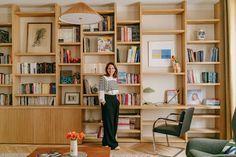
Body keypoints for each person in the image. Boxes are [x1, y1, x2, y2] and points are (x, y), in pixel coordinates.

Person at [99, 62, 120, 150]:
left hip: (114, 101)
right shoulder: (103, 78)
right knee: (108, 123)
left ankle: (105, 142)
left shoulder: (115, 78)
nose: (111, 70)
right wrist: (103, 102)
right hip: (107, 101)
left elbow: (115, 91)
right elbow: (101, 91)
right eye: (109, 68)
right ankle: (113, 144)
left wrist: (117, 100)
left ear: (115, 69)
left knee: (114, 122)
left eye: (112, 68)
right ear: (106, 69)